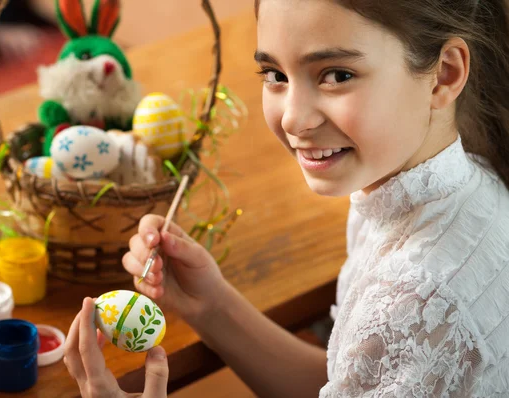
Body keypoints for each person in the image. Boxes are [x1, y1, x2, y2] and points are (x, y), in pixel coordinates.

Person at [63, 0, 509, 396]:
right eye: (275, 75)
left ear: (443, 75)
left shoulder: (416, 299)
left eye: (336, 75)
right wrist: (212, 306)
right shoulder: (449, 187)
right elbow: (347, 379)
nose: (294, 118)